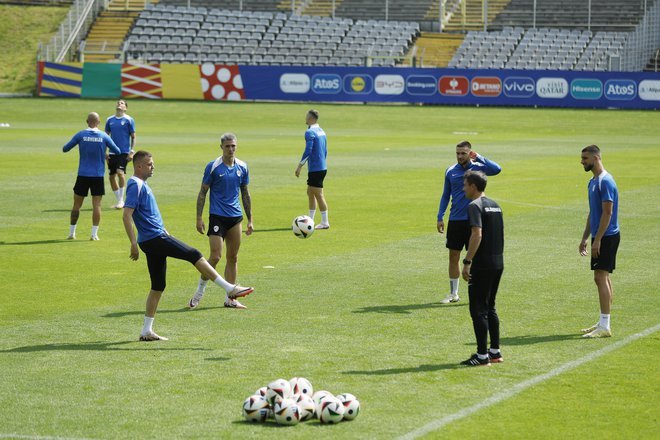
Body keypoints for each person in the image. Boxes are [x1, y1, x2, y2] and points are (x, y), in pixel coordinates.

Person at [122, 150, 254, 341]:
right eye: (150, 164)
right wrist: (133, 243)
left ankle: (146, 331)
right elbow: (127, 215)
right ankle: (229, 288)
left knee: (158, 286)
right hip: (153, 239)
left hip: (154, 237)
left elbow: (147, 215)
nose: (153, 166)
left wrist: (163, 230)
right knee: (194, 254)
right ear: (139, 166)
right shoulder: (135, 185)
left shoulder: (142, 185)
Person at [189, 133, 253, 310]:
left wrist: (250, 219)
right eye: (227, 146)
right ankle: (199, 291)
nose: (231, 149)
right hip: (217, 216)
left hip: (235, 217)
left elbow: (245, 193)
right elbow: (203, 192)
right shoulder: (213, 167)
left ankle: (230, 299)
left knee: (233, 257)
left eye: (233, 146)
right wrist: (199, 217)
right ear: (221, 147)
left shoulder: (242, 166)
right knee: (215, 256)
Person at [437, 141, 501, 304]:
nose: (459, 156)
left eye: (463, 153)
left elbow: (497, 169)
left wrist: (479, 157)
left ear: (470, 153)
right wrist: (440, 216)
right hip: (456, 219)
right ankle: (454, 293)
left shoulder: (479, 167)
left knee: (477, 257)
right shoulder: (450, 171)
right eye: (457, 153)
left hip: (476, 219)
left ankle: (479, 292)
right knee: (454, 256)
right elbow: (446, 195)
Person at [459, 170, 504, 366]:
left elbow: (476, 234)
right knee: (490, 306)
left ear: (473, 187)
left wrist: (467, 261)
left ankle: (482, 355)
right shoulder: (496, 206)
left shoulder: (474, 206)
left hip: (482, 264)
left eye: (465, 185)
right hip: (497, 262)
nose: (463, 188)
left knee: (478, 310)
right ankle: (494, 351)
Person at [579, 145, 619, 338]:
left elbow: (608, 213)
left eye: (585, 158)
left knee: (600, 278)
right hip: (600, 235)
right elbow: (592, 212)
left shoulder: (605, 181)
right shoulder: (592, 181)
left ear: (596, 158)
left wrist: (599, 240)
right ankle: (604, 321)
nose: (582, 162)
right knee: (604, 277)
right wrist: (585, 238)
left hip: (607, 236)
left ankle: (605, 325)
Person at [63, 112, 120, 241]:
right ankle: (94, 234)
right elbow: (117, 151)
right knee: (97, 206)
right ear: (99, 122)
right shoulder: (104, 136)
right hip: (98, 175)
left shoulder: (81, 135)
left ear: (86, 121)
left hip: (83, 174)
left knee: (76, 205)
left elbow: (65, 149)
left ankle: (72, 233)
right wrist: (104, 152)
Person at [295, 109, 329, 229]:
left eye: (307, 116)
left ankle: (325, 222)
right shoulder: (322, 131)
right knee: (310, 192)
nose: (305, 118)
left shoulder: (310, 132)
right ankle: (311, 220)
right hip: (321, 167)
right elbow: (325, 150)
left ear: (311, 118)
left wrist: (300, 166)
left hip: (316, 168)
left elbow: (308, 150)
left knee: (318, 195)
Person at [105, 99, 136, 209]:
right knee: (111, 176)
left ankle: (121, 200)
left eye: (122, 103)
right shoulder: (109, 120)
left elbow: (133, 137)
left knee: (120, 172)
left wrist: (132, 151)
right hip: (112, 152)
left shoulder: (129, 120)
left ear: (125, 108)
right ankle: (120, 201)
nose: (119, 104)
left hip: (123, 152)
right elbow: (105, 137)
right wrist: (105, 152)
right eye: (118, 102)